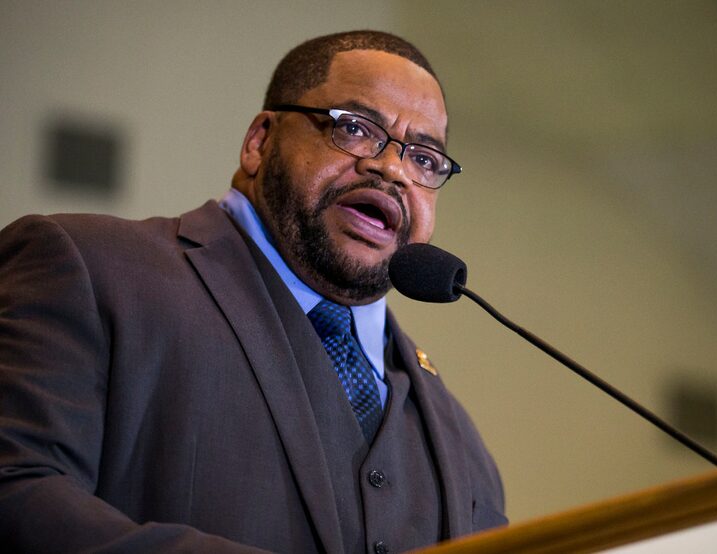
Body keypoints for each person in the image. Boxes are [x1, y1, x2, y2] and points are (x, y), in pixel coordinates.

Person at [0, 30, 506, 553]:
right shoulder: (88, 269)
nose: (391, 169)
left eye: (424, 159)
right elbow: (16, 491)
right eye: (355, 129)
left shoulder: (463, 447)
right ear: (260, 141)